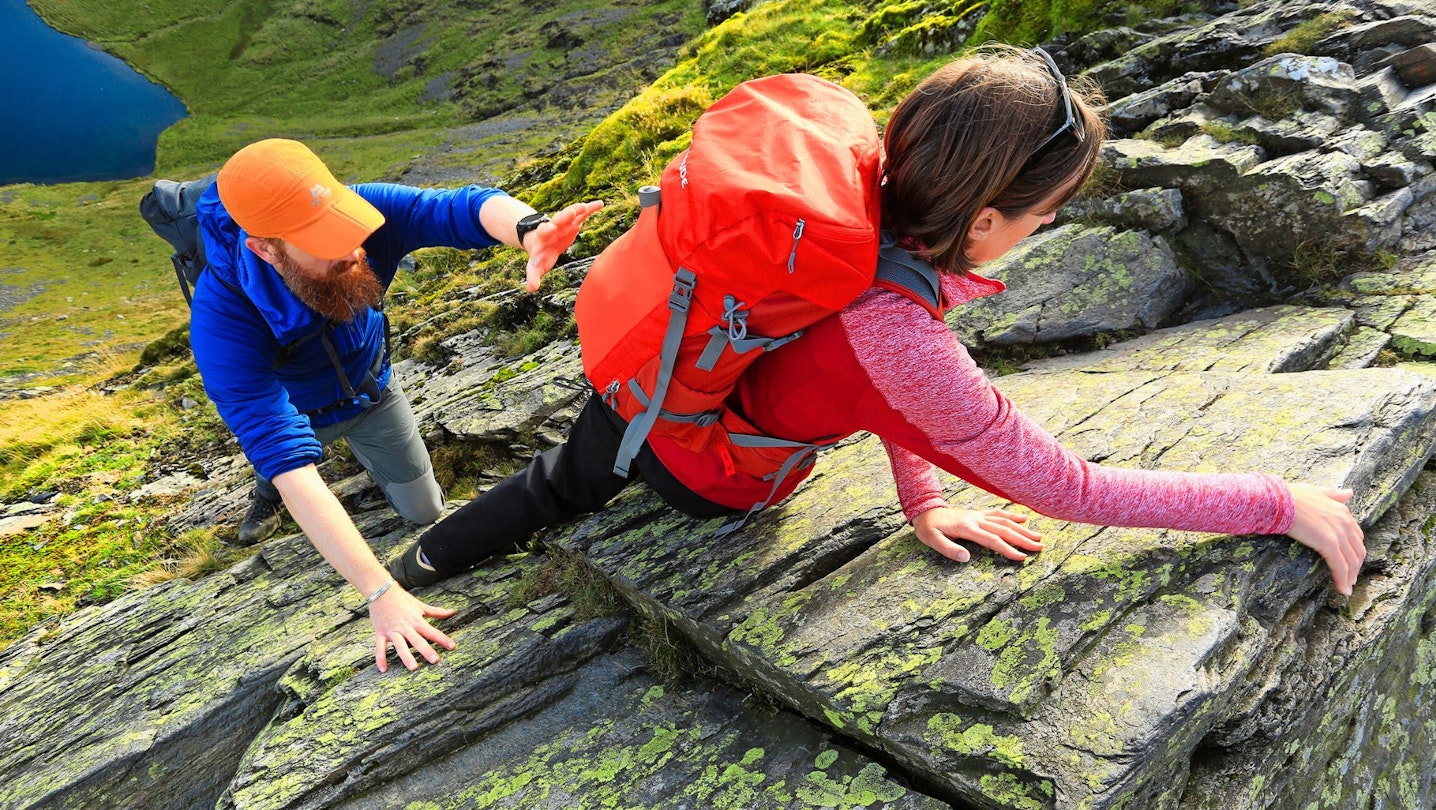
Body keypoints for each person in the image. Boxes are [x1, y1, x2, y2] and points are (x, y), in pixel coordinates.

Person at [380, 45, 1365, 671]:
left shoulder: (848, 204)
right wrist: (1278, 504)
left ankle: (421, 559)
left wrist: (926, 498)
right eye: (1044, 212)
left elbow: (876, 384)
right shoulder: (903, 335)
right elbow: (1062, 488)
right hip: (719, 479)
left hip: (647, 377)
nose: (1048, 225)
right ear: (984, 220)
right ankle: (445, 552)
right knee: (589, 488)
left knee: (558, 486)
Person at [189, 138, 602, 672]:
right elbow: (285, 454)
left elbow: (459, 207)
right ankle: (265, 495)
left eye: (342, 226)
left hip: (374, 396)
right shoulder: (224, 320)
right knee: (282, 467)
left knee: (426, 512)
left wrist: (528, 228)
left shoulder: (362, 216)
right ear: (265, 249)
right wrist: (380, 593)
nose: (350, 250)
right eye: (322, 241)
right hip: (300, 417)